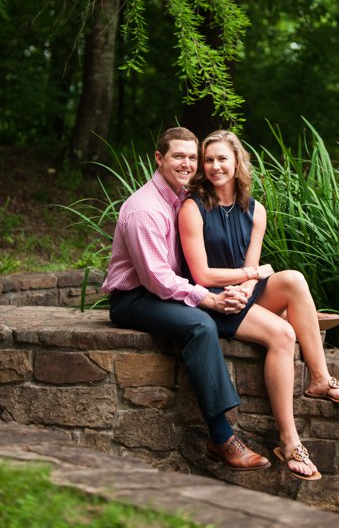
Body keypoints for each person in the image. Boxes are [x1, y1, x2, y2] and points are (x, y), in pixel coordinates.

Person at [178, 129, 339, 482]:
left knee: (294, 279)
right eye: (208, 160)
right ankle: (289, 441)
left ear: (237, 162)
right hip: (211, 299)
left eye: (222, 159)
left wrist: (246, 288)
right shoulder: (192, 208)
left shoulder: (255, 210)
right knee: (283, 334)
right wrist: (246, 280)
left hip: (242, 292)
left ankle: (320, 378)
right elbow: (201, 273)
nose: (215, 166)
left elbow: (253, 265)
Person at [103, 127, 270, 471]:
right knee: (200, 325)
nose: (187, 164)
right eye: (178, 156)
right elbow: (157, 279)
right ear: (159, 158)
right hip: (134, 298)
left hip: (162, 290)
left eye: (192, 157)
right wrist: (208, 299)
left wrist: (236, 286)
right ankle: (221, 438)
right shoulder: (144, 209)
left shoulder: (180, 198)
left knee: (215, 313)